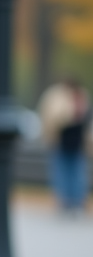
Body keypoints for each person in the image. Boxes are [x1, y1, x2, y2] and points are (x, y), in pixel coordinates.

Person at [38, 77, 90, 214]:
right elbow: (53, 118)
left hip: (76, 140)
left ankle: (76, 201)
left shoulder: (81, 96)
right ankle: (66, 200)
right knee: (64, 170)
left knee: (75, 171)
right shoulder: (59, 96)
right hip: (62, 139)